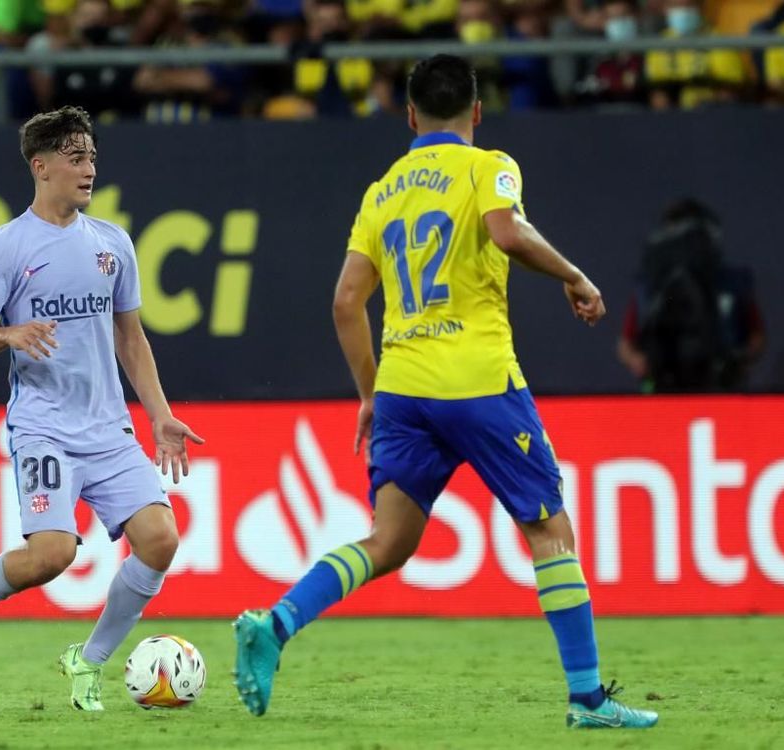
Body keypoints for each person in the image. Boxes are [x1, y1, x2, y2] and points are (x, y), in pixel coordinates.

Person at [232, 54, 658, 730]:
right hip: (478, 378)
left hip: (402, 386)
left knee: (389, 541)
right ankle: (586, 699)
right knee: (549, 527)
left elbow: (346, 302)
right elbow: (506, 231)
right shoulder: (490, 165)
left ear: (409, 115)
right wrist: (576, 276)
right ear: (477, 112)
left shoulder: (383, 191)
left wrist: (370, 395)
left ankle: (276, 622)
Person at [0, 105, 203, 712]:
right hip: (43, 427)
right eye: (76, 159)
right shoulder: (6, 247)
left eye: (93, 158)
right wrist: (11, 334)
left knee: (159, 540)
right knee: (52, 555)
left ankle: (90, 662)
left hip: (108, 428)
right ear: (41, 165)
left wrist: (159, 414)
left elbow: (131, 338)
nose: (89, 170)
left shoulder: (113, 244)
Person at [617, 198, 765, 392]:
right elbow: (626, 343)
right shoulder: (649, 287)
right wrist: (640, 363)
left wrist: (739, 362)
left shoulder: (733, 283)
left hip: (720, 390)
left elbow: (756, 335)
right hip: (663, 389)